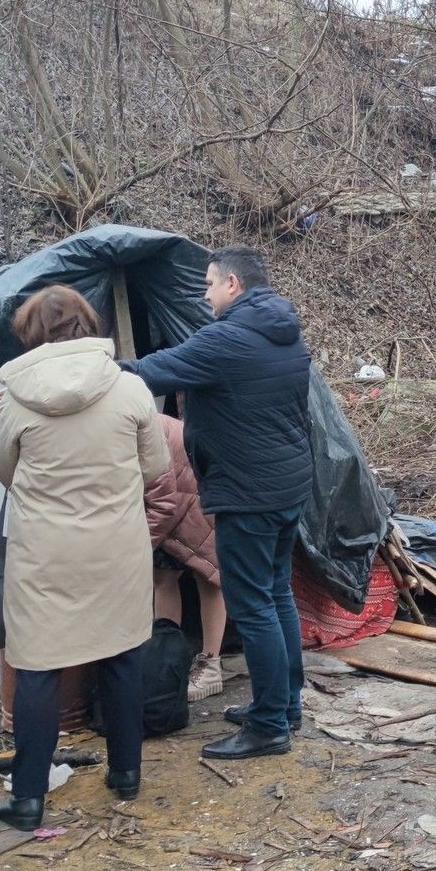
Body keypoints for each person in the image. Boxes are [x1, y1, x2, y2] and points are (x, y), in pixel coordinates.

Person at [0, 286, 169, 829]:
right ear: (88, 325)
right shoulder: (131, 387)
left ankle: (27, 797)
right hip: (116, 547)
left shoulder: (16, 396)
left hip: (44, 553)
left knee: (39, 668)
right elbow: (156, 466)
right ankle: (126, 773)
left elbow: (5, 472)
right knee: (120, 655)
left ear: (31, 332)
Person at [124, 247, 313, 759]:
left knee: (253, 606)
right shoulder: (284, 330)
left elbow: (147, 372)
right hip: (286, 484)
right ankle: (284, 705)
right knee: (275, 596)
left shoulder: (228, 339)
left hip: (248, 491)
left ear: (232, 284)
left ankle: (270, 726)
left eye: (209, 285)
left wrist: (81, 370)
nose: (204, 295)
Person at [145, 412, 229, 698]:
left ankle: (211, 665)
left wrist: (139, 547)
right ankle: (168, 660)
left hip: (199, 489)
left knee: (208, 574)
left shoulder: (139, 426)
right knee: (163, 576)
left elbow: (164, 503)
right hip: (175, 489)